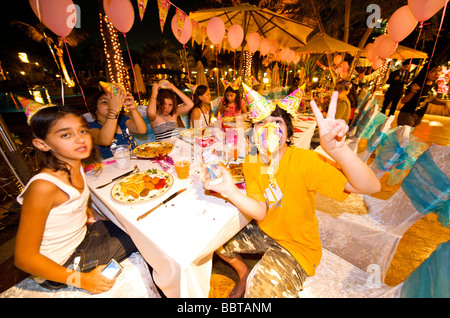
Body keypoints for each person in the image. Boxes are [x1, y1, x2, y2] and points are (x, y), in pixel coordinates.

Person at [201, 91, 381, 298]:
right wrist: (230, 190)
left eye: (277, 122)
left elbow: (371, 187)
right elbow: (260, 212)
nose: (268, 128)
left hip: (297, 245)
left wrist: (339, 150)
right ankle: (244, 274)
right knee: (216, 239)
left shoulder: (305, 161)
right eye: (261, 123)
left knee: (261, 293)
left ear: (288, 134)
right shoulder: (252, 162)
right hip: (267, 231)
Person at [14, 106, 138, 294]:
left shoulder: (74, 163)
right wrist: (83, 280)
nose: (80, 139)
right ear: (42, 144)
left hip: (82, 237)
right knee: (140, 238)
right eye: (65, 135)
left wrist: (87, 214)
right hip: (60, 265)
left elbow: (76, 200)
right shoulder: (44, 187)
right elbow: (24, 257)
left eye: (82, 131)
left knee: (134, 223)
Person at [88, 89, 147, 159]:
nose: (110, 104)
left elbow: (141, 130)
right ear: (95, 108)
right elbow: (105, 141)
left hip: (135, 160)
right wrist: (114, 109)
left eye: (112, 102)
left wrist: (133, 109)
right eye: (104, 102)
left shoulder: (122, 120)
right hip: (114, 166)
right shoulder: (92, 127)